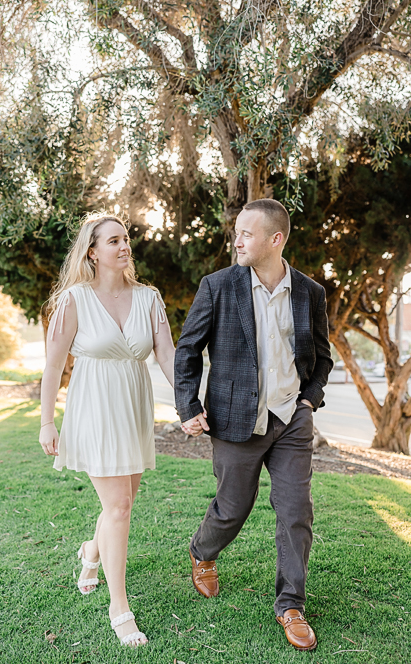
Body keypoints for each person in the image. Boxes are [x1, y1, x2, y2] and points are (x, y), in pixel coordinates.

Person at [175, 198, 333, 652]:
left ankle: (291, 605)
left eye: (247, 233)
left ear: (275, 239)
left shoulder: (309, 293)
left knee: (295, 511)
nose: (237, 240)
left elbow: (321, 358)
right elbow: (187, 351)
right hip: (235, 420)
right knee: (232, 507)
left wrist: (309, 398)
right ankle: (202, 552)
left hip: (291, 420)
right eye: (237, 232)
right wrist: (188, 406)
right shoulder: (217, 286)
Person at [39, 212, 175, 647]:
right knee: (118, 507)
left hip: (134, 406)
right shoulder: (74, 300)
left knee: (123, 501)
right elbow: (53, 365)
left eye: (126, 239)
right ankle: (120, 607)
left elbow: (169, 358)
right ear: (92, 252)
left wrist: (191, 403)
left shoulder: (150, 298)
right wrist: (47, 421)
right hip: (94, 407)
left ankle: (91, 551)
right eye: (113, 240)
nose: (124, 246)